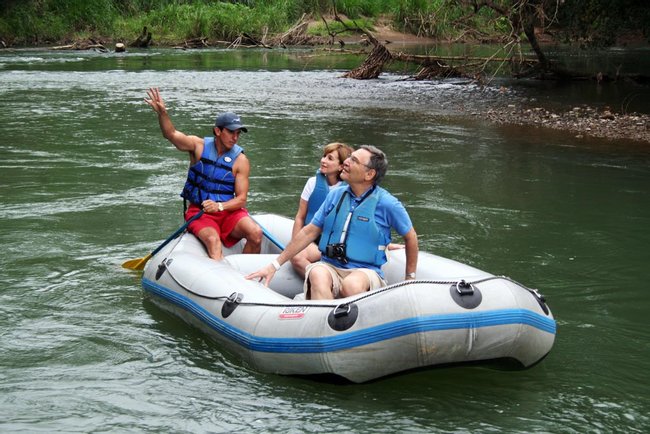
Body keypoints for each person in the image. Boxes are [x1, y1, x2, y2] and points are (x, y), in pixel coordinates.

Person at [247, 145, 418, 300]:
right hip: (330, 265)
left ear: (369, 174)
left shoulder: (387, 203)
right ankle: (326, 325)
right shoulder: (336, 195)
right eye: (349, 157)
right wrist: (274, 265)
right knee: (317, 273)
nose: (347, 162)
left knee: (352, 286)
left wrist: (410, 278)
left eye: (354, 160)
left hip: (365, 271)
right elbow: (309, 231)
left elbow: (410, 237)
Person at [144, 87, 262, 260]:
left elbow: (241, 199)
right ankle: (222, 282)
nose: (235, 137)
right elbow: (171, 134)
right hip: (200, 212)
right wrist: (162, 113)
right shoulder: (198, 146)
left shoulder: (241, 160)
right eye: (231, 132)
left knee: (256, 233)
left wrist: (220, 206)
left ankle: (247, 278)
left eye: (238, 133)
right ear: (217, 131)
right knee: (213, 241)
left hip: (228, 212)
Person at [290, 142, 353, 278]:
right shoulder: (312, 182)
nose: (323, 160)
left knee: (297, 257)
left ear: (341, 166)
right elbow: (300, 217)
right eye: (324, 156)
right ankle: (321, 279)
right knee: (296, 256)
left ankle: (325, 280)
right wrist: (295, 243)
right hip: (311, 238)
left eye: (330, 158)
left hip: (334, 243)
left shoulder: (349, 189)